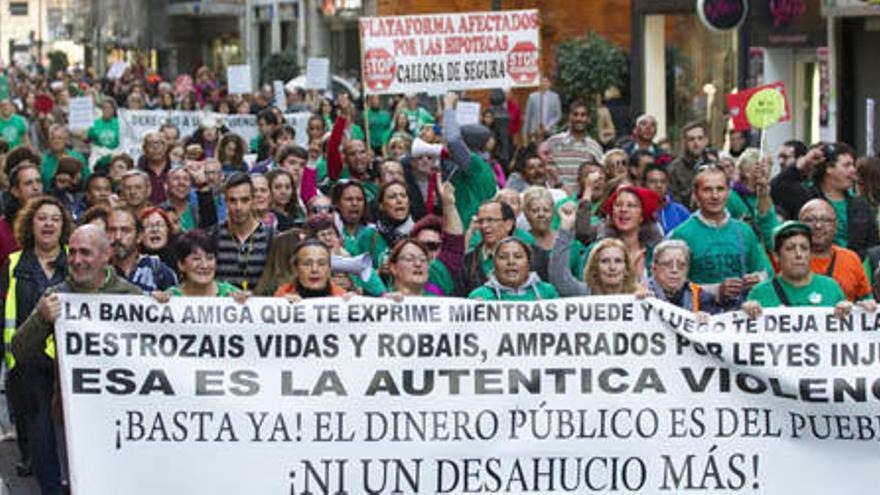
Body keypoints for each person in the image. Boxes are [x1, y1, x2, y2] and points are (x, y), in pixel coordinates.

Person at [10, 225, 142, 495]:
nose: (77, 260)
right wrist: (40, 318)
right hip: (70, 417)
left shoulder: (131, 297)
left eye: (86, 253)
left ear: (106, 256)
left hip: (121, 416)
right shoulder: (56, 296)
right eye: (73, 252)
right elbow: (20, 350)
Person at [0, 196, 72, 489]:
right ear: (31, 223)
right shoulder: (13, 263)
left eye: (55, 218)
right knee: (40, 436)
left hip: (68, 365)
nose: (49, 224)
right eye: (42, 218)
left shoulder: (76, 258)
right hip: (28, 365)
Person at [669, 165, 774, 307]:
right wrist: (716, 290)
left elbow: (767, 271)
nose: (715, 196)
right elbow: (672, 286)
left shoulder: (744, 230)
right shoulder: (682, 234)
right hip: (699, 318)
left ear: (728, 191)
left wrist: (758, 279)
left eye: (720, 189)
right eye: (707, 190)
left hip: (742, 316)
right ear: (696, 193)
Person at [770, 142, 879, 257]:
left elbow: (872, 246)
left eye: (853, 165)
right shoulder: (806, 196)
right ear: (829, 168)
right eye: (847, 165)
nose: (853, 170)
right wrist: (801, 164)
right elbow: (777, 187)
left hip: (851, 269)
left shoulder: (860, 205)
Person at [742, 222, 871, 318]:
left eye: (804, 248)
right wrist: (746, 313)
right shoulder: (760, 293)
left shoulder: (831, 287)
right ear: (776, 256)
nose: (799, 254)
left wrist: (856, 312)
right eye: (790, 248)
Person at [199, 172, 274, 290]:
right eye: (233, 200)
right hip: (221, 305)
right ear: (225, 202)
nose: (238, 207)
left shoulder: (272, 237)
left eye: (244, 200)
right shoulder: (212, 235)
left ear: (253, 200)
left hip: (259, 305)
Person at [798, 199, 872, 302]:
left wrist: (867, 306)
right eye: (810, 220)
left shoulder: (850, 259)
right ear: (799, 224)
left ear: (836, 226)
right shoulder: (790, 258)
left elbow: (866, 299)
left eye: (826, 220)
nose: (818, 226)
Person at [638, 240, 723, 314]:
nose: (674, 270)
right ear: (653, 268)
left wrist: (704, 319)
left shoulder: (700, 295)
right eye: (668, 264)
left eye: (681, 265)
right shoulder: (639, 292)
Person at [107, 206, 177, 292]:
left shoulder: (160, 272)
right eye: (112, 230)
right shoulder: (98, 271)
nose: (117, 237)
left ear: (139, 236)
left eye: (125, 230)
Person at [468, 237, 558, 301]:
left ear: (529, 263)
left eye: (518, 256)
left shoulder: (547, 292)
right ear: (494, 264)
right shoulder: (479, 296)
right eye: (503, 257)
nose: (511, 262)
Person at [165, 229, 243, 298]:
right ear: (181, 264)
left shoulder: (231, 294)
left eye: (210, 258)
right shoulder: (171, 298)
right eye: (196, 259)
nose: (204, 265)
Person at [545, 100, 603, 185]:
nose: (579, 118)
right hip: (557, 193)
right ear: (569, 116)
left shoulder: (594, 146)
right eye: (575, 114)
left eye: (583, 115)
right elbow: (546, 166)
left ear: (588, 119)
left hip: (583, 195)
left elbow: (600, 173)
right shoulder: (554, 141)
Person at [0, 163, 44, 267]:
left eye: (39, 181)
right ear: (15, 191)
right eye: (29, 183)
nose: (36, 187)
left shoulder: (54, 222)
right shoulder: (2, 230)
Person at [275, 239, 347, 301]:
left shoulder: (341, 296)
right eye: (307, 264)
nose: (314, 269)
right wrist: (283, 304)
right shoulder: (282, 295)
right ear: (295, 269)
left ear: (329, 269)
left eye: (321, 264)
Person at [667, 120, 710, 207]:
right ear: (685, 142)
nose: (696, 143)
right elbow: (673, 202)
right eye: (691, 139)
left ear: (706, 141)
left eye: (700, 138)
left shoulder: (714, 166)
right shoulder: (673, 169)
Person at [643, 164, 689, 234]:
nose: (659, 185)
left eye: (663, 182)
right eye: (653, 181)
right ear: (644, 185)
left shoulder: (680, 211)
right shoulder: (638, 212)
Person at [523, 76, 562, 142]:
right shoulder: (532, 97)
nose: (544, 83)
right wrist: (525, 132)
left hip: (550, 130)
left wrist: (548, 126)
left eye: (546, 81)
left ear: (550, 84)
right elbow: (528, 116)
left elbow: (558, 115)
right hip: (536, 131)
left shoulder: (555, 97)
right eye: (542, 81)